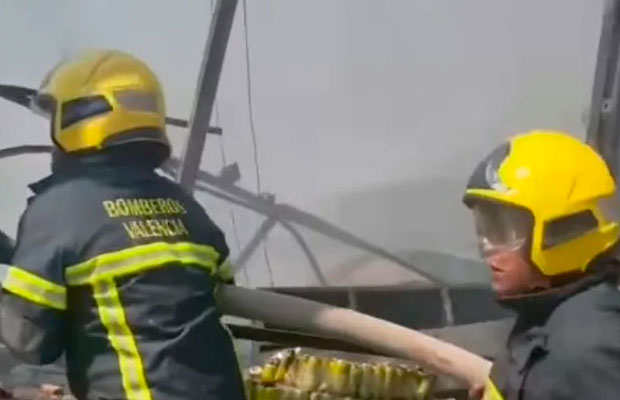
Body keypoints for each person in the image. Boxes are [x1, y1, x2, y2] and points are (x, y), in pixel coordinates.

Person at [0, 49, 246, 400]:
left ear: (77, 118)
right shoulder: (187, 206)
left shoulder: (57, 209)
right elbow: (215, 290)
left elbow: (31, 343)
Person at [463, 130, 620, 400]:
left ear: (561, 233)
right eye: (484, 229)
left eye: (503, 230)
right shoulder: (548, 316)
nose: (487, 247)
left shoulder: (583, 356)